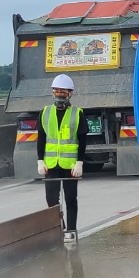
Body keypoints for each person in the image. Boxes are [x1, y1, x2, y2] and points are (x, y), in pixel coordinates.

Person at [36, 72, 88, 243]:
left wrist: (79, 163)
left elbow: (82, 140)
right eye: (57, 91)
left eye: (63, 92)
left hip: (70, 165)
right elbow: (41, 138)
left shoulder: (77, 113)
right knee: (51, 200)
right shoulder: (45, 112)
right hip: (50, 164)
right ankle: (60, 228)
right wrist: (40, 160)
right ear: (52, 92)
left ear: (70, 93)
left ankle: (70, 231)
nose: (59, 95)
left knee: (70, 198)